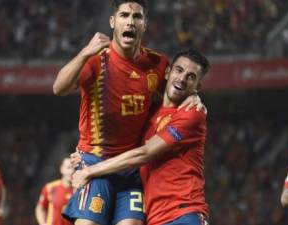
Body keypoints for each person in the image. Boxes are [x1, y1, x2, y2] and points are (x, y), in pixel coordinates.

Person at [53, 0, 203, 225]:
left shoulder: (157, 63)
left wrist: (194, 97)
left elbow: (174, 91)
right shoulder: (96, 59)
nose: (130, 21)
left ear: (144, 24)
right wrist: (84, 52)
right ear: (113, 22)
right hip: (95, 158)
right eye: (124, 15)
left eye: (137, 17)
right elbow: (59, 88)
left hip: (131, 168)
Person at [71, 49, 210, 225]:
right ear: (167, 72)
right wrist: (86, 153)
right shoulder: (150, 112)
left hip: (183, 213)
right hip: (155, 218)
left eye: (191, 77)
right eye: (179, 70)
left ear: (197, 86)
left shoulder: (191, 114)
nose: (182, 79)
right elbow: (123, 142)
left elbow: (143, 154)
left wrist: (90, 170)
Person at [35, 157, 74, 225]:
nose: (71, 171)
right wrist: (43, 223)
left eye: (74, 168)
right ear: (61, 169)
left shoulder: (81, 190)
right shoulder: (50, 188)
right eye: (68, 167)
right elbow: (40, 208)